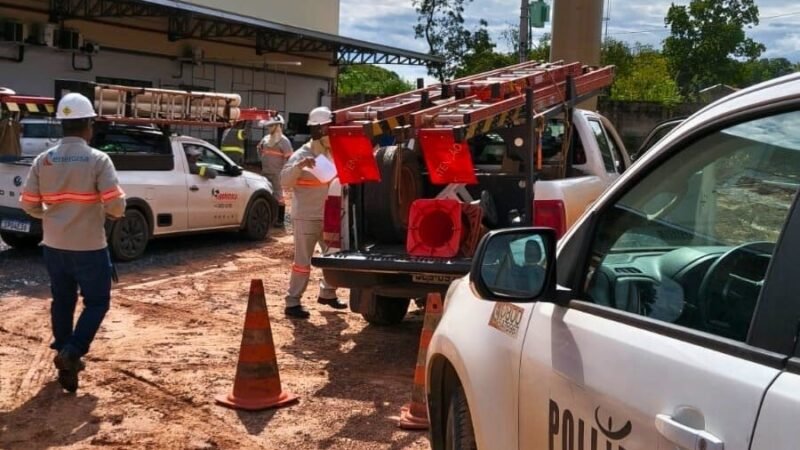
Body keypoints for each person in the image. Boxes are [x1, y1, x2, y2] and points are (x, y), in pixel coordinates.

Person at [20, 93, 126, 392]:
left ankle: (65, 353)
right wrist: (112, 211)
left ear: (63, 125)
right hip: (90, 246)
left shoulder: (44, 160)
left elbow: (28, 204)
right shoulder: (97, 160)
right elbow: (116, 207)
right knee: (97, 302)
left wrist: (50, 217)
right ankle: (73, 351)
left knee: (62, 301)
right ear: (88, 125)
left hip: (54, 245)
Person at [280, 106, 345, 319]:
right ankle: (292, 302)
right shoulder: (302, 154)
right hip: (306, 217)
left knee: (334, 257)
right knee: (302, 263)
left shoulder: (332, 153)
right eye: (328, 129)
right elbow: (285, 181)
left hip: (329, 216)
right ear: (318, 131)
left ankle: (327, 293)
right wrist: (300, 166)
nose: (330, 134)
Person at [257, 114, 292, 228]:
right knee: (268, 194)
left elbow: (289, 158)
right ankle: (270, 218)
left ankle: (280, 220)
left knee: (279, 196)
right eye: (269, 126)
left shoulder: (284, 141)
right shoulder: (266, 139)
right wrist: (262, 159)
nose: (269, 128)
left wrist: (285, 172)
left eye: (271, 125)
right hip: (266, 171)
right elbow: (259, 149)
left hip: (278, 173)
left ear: (278, 126)